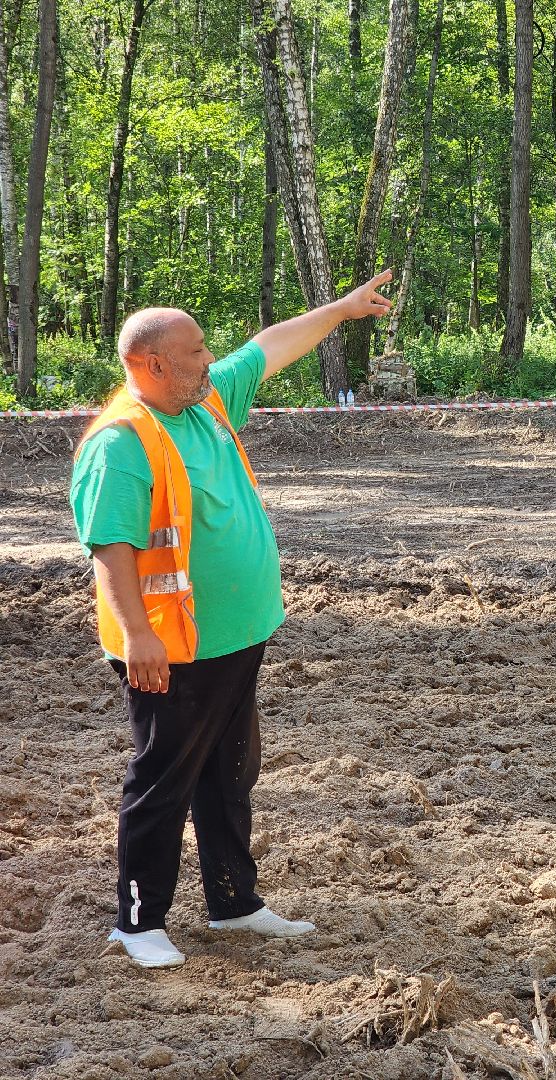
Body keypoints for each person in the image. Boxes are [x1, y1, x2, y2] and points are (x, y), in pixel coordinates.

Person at [69, 271, 393, 969]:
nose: (209, 361)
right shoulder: (122, 442)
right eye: (194, 352)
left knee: (229, 772)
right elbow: (110, 549)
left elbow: (268, 348)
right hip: (174, 645)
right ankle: (138, 920)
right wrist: (138, 635)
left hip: (238, 632)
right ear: (152, 364)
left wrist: (339, 310)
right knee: (164, 779)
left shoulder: (205, 402)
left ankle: (233, 903)